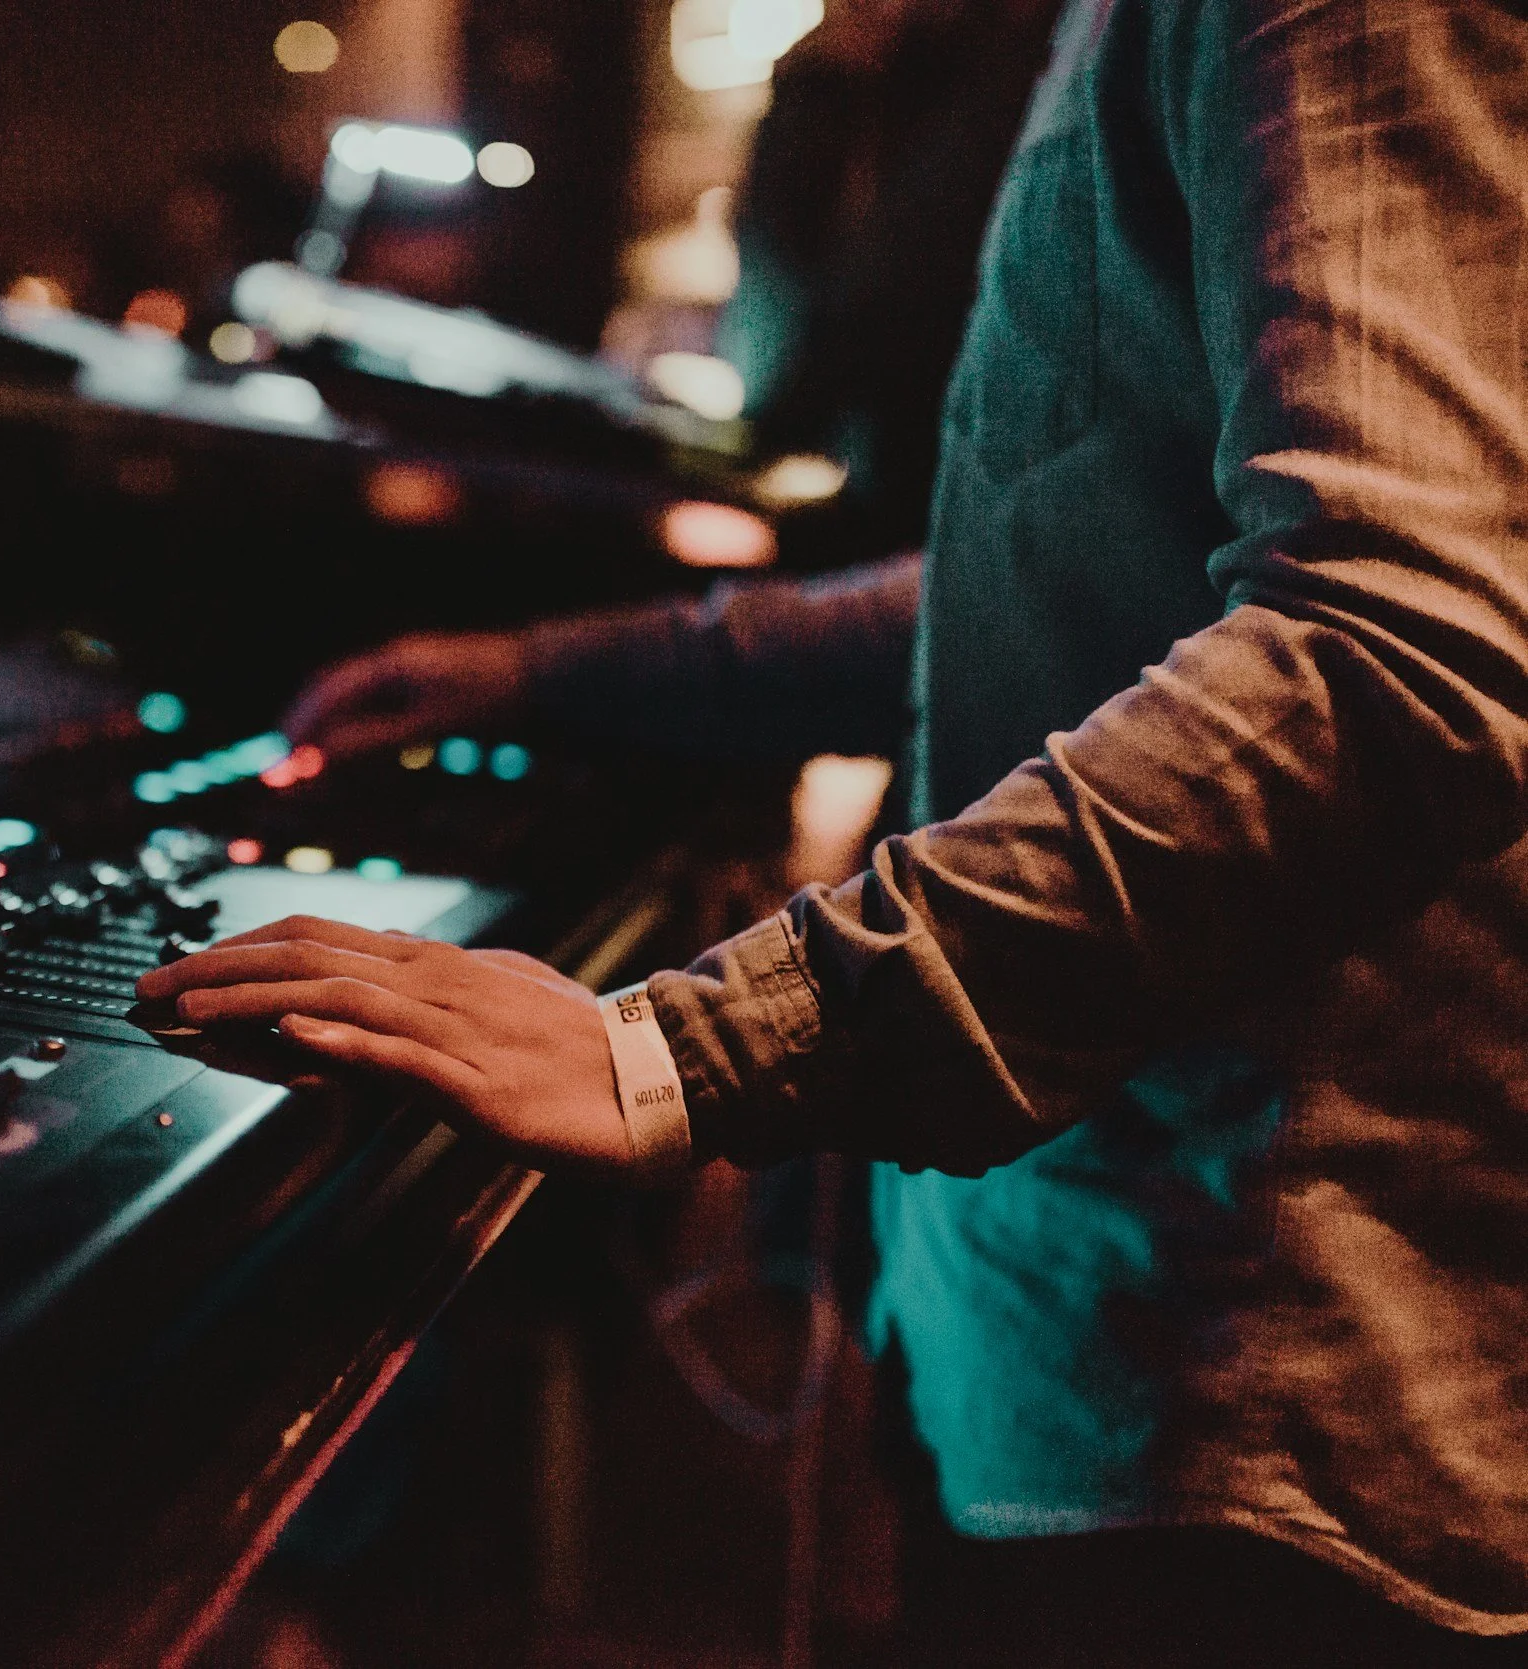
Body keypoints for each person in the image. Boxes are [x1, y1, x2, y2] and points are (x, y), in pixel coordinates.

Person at [138, 0, 1528, 1661]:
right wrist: (558, 675)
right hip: (1111, 1340)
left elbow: (1398, 653)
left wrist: (680, 1052)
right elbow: (1081, 578)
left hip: (1239, 1409)